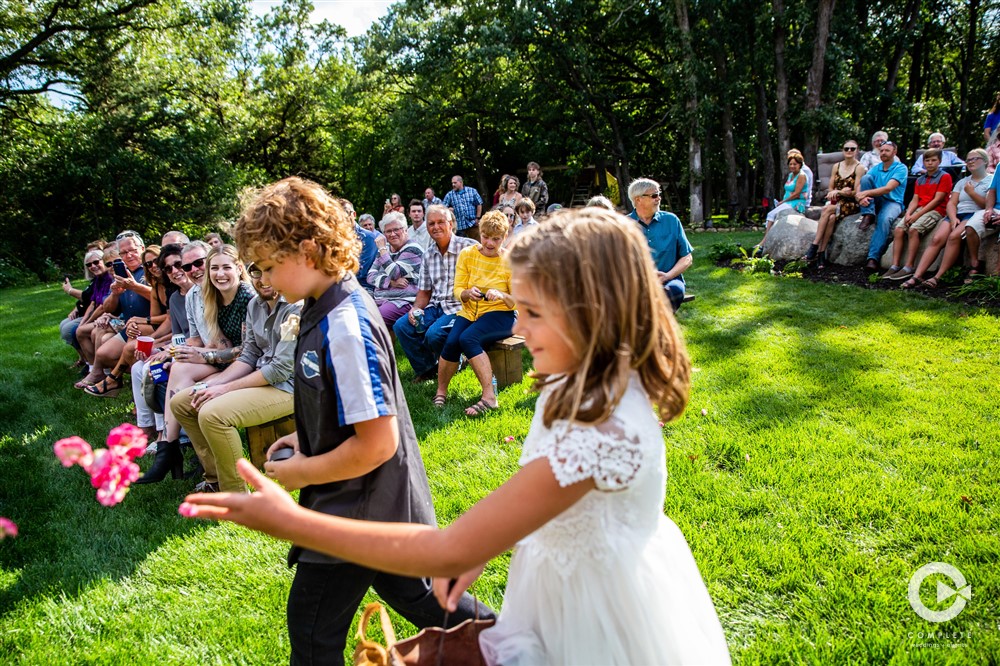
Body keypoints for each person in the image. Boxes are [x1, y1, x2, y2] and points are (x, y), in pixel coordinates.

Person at [182, 208, 732, 666]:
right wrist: (491, 542)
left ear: (594, 313)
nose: (517, 327)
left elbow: (449, 548)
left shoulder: (599, 424)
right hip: (561, 588)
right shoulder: (580, 385)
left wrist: (293, 521)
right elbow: (547, 500)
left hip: (598, 619)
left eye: (533, 312)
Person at [224, 175, 489, 664]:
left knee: (311, 632)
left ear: (305, 251)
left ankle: (522, 648)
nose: (262, 281)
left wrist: (302, 473)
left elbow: (377, 443)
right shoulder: (320, 306)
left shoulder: (345, 322)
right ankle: (520, 648)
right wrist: (308, 448)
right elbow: (342, 411)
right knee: (429, 599)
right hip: (370, 503)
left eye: (266, 267)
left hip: (357, 510)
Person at [170, 261, 300, 493]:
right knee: (182, 401)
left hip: (291, 387)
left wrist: (225, 389)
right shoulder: (255, 305)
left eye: (270, 271)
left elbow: (280, 369)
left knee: (213, 415)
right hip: (262, 378)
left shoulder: (295, 308)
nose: (263, 279)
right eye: (256, 273)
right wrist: (212, 384)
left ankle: (236, 493)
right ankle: (215, 479)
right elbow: (249, 354)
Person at [138, 243, 252, 485]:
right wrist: (177, 354)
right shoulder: (199, 295)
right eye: (186, 266)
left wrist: (197, 354)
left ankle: (176, 453)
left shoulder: (238, 295)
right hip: (219, 359)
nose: (191, 269)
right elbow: (197, 339)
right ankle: (170, 447)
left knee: (189, 392)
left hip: (241, 363)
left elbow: (237, 349)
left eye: (197, 263)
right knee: (174, 369)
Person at [433, 210, 516, 416]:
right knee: (452, 341)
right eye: (486, 237)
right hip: (471, 311)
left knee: (469, 338)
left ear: (504, 237)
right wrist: (468, 294)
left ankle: (489, 397)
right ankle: (441, 391)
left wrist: (501, 295)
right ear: (480, 233)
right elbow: (458, 289)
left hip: (503, 314)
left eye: (495, 239)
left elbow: (517, 302)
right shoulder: (467, 254)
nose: (489, 243)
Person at [393, 205, 477, 383]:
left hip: (461, 308)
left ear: (451, 223)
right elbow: (424, 291)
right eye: (431, 223)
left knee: (434, 334)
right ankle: (427, 368)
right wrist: (415, 309)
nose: (436, 227)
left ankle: (455, 361)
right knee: (402, 326)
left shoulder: (469, 248)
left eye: (441, 222)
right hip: (436, 307)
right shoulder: (428, 255)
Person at [84, 244, 170, 397]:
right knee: (103, 346)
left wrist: (142, 321)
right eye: (148, 264)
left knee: (132, 344)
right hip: (144, 326)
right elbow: (107, 307)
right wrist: (116, 295)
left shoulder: (171, 284)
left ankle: (113, 379)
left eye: (156, 261)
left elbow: (171, 317)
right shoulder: (156, 284)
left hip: (173, 334)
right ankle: (119, 380)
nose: (153, 266)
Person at [901, 149, 992, 289]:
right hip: (956, 214)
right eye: (968, 159)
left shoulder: (991, 180)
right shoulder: (963, 181)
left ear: (985, 161)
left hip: (974, 214)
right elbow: (951, 203)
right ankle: (916, 276)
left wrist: (972, 193)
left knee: (953, 236)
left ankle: (937, 277)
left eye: (975, 158)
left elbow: (987, 205)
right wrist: (953, 217)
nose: (971, 162)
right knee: (937, 239)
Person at [131, 244, 192, 442]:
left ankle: (163, 434)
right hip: (183, 346)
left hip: (197, 351)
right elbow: (177, 334)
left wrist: (167, 351)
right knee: (138, 367)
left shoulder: (202, 293)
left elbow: (198, 337)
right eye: (168, 268)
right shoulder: (175, 298)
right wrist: (160, 347)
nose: (174, 271)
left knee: (154, 368)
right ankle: (146, 427)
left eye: (179, 265)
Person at [882, 148, 952, 281]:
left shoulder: (944, 177)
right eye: (927, 160)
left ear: (940, 161)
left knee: (914, 229)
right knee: (898, 229)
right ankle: (895, 265)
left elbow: (937, 200)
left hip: (936, 210)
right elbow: (915, 199)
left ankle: (909, 266)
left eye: (933, 160)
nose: (930, 163)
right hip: (919, 209)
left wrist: (916, 216)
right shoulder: (920, 179)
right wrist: (908, 214)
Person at [627, 178, 693, 312]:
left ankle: (654, 328)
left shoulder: (671, 220)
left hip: (670, 281)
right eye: (654, 195)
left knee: (673, 291)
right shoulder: (623, 225)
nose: (659, 198)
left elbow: (687, 258)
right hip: (635, 283)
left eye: (659, 195)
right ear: (638, 199)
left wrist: (668, 276)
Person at [803, 140, 867, 268]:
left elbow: (855, 192)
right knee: (830, 218)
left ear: (857, 151)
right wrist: (837, 192)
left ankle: (814, 245)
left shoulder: (859, 168)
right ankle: (821, 255)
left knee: (827, 210)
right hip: (836, 203)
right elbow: (830, 188)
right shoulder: (836, 166)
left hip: (851, 204)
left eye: (852, 149)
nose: (849, 151)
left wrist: (839, 192)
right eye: (846, 148)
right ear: (842, 150)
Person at [857, 141, 909, 272]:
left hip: (893, 202)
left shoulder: (901, 168)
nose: (883, 153)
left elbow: (888, 188)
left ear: (894, 152)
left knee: (884, 220)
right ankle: (868, 214)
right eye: (882, 150)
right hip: (877, 201)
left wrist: (865, 193)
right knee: (865, 178)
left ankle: (872, 258)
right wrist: (860, 197)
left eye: (887, 150)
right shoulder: (877, 167)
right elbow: (863, 183)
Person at [367, 212, 424, 328]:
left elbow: (395, 272)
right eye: (388, 231)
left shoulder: (413, 248)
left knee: (374, 319)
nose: (392, 234)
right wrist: (390, 282)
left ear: (405, 230)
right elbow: (370, 276)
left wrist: (382, 250)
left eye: (396, 229)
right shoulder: (386, 250)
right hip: (382, 298)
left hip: (403, 301)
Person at [59, 248, 112, 366]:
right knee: (66, 325)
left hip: (105, 315)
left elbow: (102, 306)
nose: (93, 266)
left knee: (72, 330)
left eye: (96, 262)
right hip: (93, 314)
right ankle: (87, 361)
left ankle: (94, 366)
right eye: (89, 264)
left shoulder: (109, 278)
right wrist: (83, 320)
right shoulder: (97, 280)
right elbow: (92, 302)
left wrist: (69, 290)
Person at [443, 175, 483, 241]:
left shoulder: (472, 191)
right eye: (452, 183)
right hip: (459, 227)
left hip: (472, 224)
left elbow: (479, 204)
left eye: (455, 183)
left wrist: (477, 218)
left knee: (477, 244)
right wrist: (448, 210)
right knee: (462, 248)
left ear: (461, 182)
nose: (453, 185)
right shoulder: (450, 195)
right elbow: (442, 208)